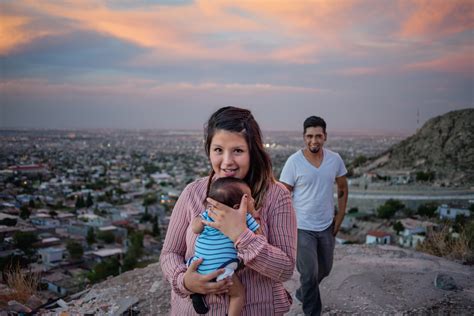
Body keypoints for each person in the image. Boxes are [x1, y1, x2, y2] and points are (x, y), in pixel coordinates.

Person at [160, 106, 297, 315]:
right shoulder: (193, 193)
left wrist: (241, 235)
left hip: (257, 309)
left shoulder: (276, 196)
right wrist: (185, 280)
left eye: (238, 151)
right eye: (218, 150)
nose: (227, 161)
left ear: (253, 151)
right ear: (209, 151)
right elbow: (170, 253)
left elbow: (285, 269)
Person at [279, 116, 348, 316]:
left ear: (325, 136)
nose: (314, 141)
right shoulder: (294, 162)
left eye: (318, 136)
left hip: (326, 225)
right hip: (301, 228)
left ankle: (303, 292)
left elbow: (342, 187)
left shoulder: (335, 159)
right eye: (309, 136)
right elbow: (283, 195)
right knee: (309, 274)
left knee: (324, 270)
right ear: (303, 137)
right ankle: (312, 311)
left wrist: (340, 217)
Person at [187, 177, 260, 315]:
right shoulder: (245, 217)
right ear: (237, 207)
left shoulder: (209, 214)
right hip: (222, 268)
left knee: (194, 267)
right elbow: (259, 236)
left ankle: (196, 294)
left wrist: (200, 219)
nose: (253, 201)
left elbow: (195, 229)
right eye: (249, 198)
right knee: (238, 295)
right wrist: (254, 215)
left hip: (199, 265)